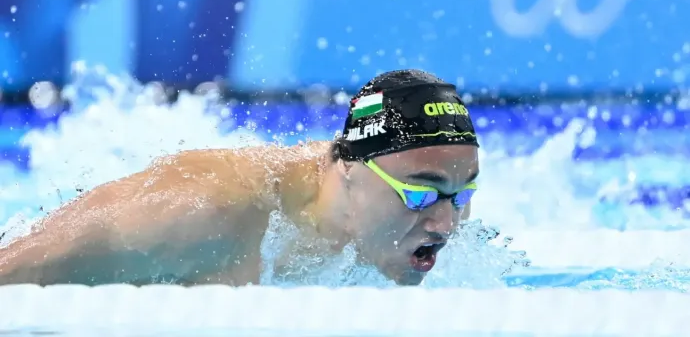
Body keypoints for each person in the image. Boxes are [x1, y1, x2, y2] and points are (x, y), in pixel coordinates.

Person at [0, 69, 480, 286]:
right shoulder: (207, 214)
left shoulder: (393, 220)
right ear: (349, 168)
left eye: (461, 197)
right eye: (421, 195)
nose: (445, 224)